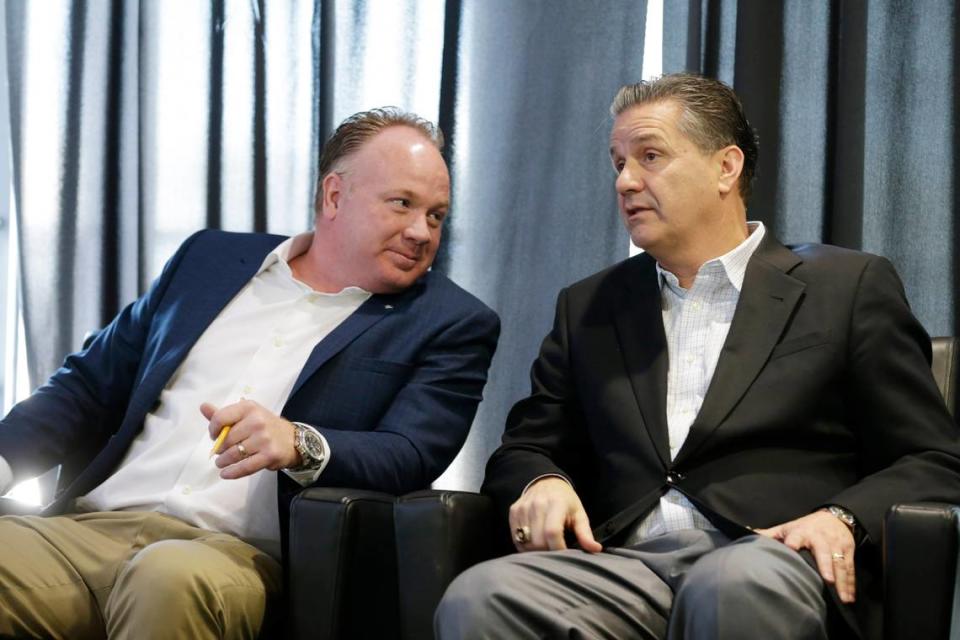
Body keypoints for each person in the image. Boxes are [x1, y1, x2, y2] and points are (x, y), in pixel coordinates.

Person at [435, 73, 960, 639]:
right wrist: (541, 481)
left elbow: (933, 459)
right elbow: (528, 445)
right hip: (625, 568)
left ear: (725, 168)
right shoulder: (589, 306)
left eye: (650, 156)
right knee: (483, 596)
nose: (626, 181)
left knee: (731, 582)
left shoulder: (847, 286)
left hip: (772, 556)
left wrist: (841, 519)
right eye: (618, 163)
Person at [0, 107, 500, 639]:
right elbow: (86, 386)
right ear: (335, 196)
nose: (421, 232)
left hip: (232, 557)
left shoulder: (452, 322)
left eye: (436, 215)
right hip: (88, 530)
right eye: (403, 204)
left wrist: (299, 443)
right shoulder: (208, 260)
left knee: (167, 578)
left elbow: (411, 452)